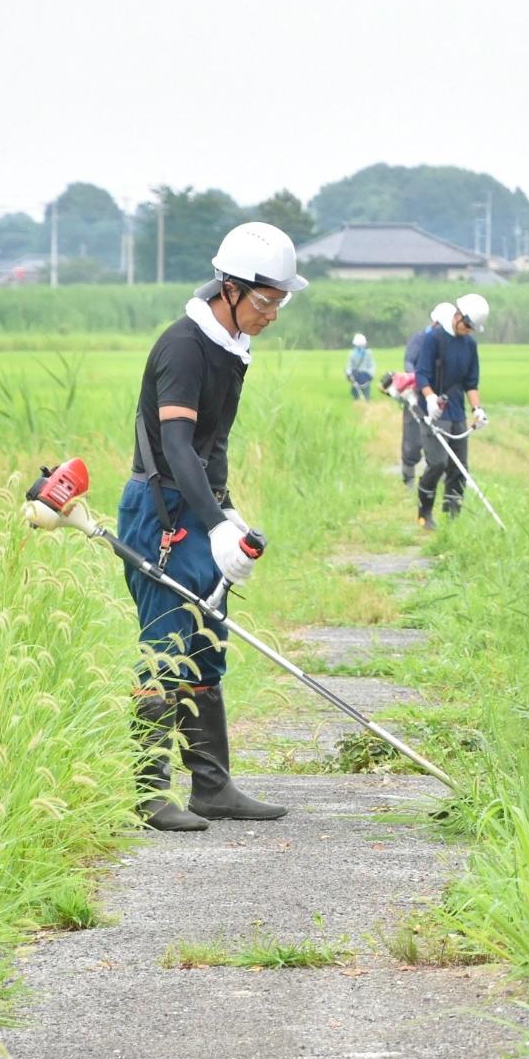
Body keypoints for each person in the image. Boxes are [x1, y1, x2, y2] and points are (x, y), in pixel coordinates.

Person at [121, 222, 306, 831]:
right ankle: (149, 794)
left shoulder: (230, 347)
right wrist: (211, 524)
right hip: (162, 511)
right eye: (264, 300)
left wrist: (227, 516)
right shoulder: (184, 346)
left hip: (200, 506)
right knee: (164, 647)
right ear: (229, 286)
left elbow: (210, 449)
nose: (272, 313)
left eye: (280, 302)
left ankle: (212, 787)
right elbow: (176, 446)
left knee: (206, 642)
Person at [414, 292, 488, 527]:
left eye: (472, 328)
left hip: (456, 412)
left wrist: (477, 409)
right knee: (437, 463)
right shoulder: (434, 339)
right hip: (434, 410)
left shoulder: (469, 344)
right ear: (457, 316)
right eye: (466, 325)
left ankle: (452, 517)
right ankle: (424, 513)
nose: (468, 330)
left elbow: (471, 382)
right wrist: (430, 398)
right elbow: (422, 374)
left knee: (459, 467)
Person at [397, 304, 449, 485]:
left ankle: (438, 478)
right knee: (412, 440)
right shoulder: (420, 339)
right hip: (417, 396)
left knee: (438, 438)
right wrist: (416, 379)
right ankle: (408, 479)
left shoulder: (447, 342)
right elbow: (409, 361)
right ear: (435, 322)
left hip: (437, 397)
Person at [344, 333, 374, 400]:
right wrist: (349, 374)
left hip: (365, 376)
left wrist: (370, 375)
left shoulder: (368, 353)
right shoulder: (352, 354)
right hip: (355, 376)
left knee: (366, 395)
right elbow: (349, 366)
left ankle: (365, 404)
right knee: (356, 394)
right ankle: (357, 404)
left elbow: (371, 365)